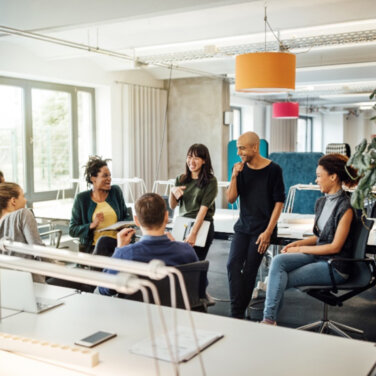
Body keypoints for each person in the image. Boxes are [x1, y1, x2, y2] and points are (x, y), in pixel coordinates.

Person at [262, 154, 357, 325]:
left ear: (333, 177)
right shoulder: (321, 202)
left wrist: (300, 250)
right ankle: (269, 319)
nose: (316, 180)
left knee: (280, 279)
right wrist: (298, 243)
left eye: (320, 176)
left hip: (335, 265)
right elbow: (320, 237)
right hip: (319, 256)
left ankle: (269, 320)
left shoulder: (346, 207)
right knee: (278, 261)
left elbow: (335, 247)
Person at [226, 132, 285, 319]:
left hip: (262, 230)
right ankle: (237, 313)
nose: (238, 152)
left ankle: (237, 314)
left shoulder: (274, 169)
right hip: (243, 226)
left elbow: (279, 202)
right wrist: (234, 176)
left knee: (250, 270)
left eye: (242, 147)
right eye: (238, 148)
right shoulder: (241, 170)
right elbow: (230, 198)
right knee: (232, 265)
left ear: (255, 147)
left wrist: (268, 231)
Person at [99, 193, 198, 296]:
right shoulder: (186, 251)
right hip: (175, 310)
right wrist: (177, 247)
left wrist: (119, 250)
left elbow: (104, 290)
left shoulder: (125, 254)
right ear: (166, 217)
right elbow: (199, 287)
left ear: (136, 220)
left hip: (135, 311)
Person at [69, 156, 131, 254]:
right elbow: (72, 230)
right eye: (105, 176)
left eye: (110, 175)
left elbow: (126, 217)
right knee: (103, 242)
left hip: (118, 244)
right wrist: (92, 225)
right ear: (93, 179)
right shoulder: (82, 199)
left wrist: (124, 226)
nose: (109, 179)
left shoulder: (115, 191)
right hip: (93, 248)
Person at [169, 144, 218, 261]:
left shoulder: (211, 181)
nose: (191, 161)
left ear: (204, 161)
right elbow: (172, 205)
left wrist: (193, 233)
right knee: (180, 264)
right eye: (189, 157)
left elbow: (203, 210)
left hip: (201, 225)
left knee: (196, 265)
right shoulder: (180, 179)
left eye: (196, 158)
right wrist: (172, 191)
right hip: (182, 223)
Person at [0, 182, 45, 282]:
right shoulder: (23, 214)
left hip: (7, 285)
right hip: (31, 283)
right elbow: (38, 250)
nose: (26, 200)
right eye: (23, 196)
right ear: (13, 201)